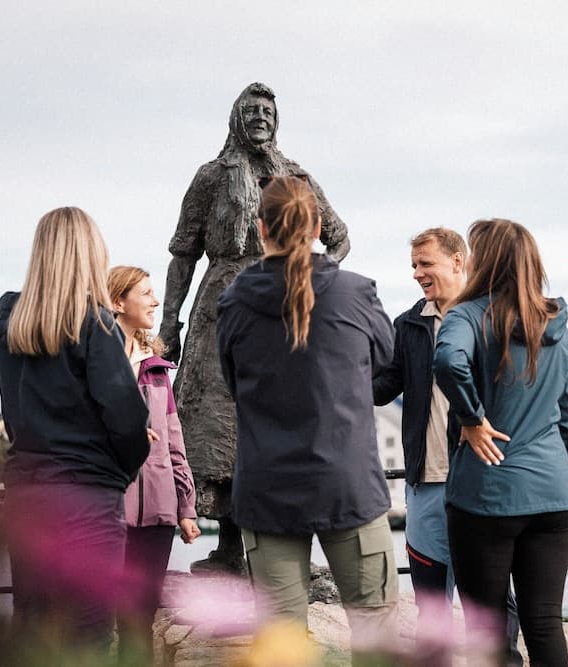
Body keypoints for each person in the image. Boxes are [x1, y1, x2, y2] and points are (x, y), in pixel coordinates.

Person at [159, 82, 350, 573]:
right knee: (218, 424)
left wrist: (314, 277)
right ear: (236, 118)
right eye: (252, 110)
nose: (261, 118)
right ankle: (230, 548)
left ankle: (283, 550)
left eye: (268, 111)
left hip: (285, 304)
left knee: (279, 418)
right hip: (220, 307)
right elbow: (183, 254)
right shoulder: (211, 176)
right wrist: (169, 323)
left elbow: (339, 237)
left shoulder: (295, 176)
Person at [216, 175, 398, 652]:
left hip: (267, 486)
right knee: (376, 637)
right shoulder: (354, 293)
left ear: (260, 228)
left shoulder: (234, 302)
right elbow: (383, 360)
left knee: (281, 645)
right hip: (347, 481)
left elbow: (234, 384)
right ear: (317, 226)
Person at [0, 207, 151, 657]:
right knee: (89, 639)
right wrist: (116, 475)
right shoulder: (97, 326)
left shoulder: (13, 328)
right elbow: (127, 420)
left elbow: (12, 413)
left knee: (34, 634)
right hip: (86, 498)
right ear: (89, 254)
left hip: (27, 495)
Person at [433, 218, 568, 666]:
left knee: (488, 629)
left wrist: (472, 418)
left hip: (486, 496)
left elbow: (448, 359)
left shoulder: (467, 315)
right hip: (554, 496)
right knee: (545, 623)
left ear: (485, 261)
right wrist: (546, 461)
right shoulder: (554, 324)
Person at [372, 227, 521, 655]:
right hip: (426, 484)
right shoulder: (409, 325)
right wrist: (340, 371)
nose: (417, 273)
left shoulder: (493, 318)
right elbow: (383, 387)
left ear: (458, 261)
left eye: (426, 263)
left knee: (491, 602)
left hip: (483, 479)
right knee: (431, 605)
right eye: (414, 265)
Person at [108, 265, 202, 665]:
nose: (156, 301)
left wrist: (185, 507)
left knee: (140, 618)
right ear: (118, 302)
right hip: (110, 510)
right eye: (145, 293)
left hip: (158, 515)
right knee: (106, 616)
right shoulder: (98, 365)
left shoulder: (157, 369)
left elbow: (174, 443)